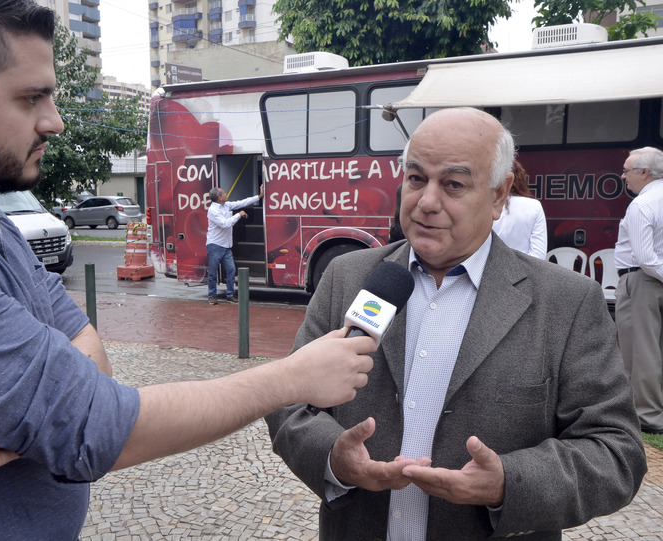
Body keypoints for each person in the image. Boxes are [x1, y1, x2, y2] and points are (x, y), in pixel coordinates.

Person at [0, 2, 378, 538]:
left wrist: (45, 415)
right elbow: (94, 425)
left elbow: (87, 349)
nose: (55, 121)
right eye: (31, 97)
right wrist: (291, 376)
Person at [265, 107, 646, 540]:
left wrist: (508, 483)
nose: (427, 202)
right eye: (416, 179)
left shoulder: (566, 302)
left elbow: (616, 451)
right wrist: (334, 458)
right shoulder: (347, 277)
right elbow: (289, 402)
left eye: (453, 184)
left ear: (500, 196)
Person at [614, 146, 663, 434]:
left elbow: (644, 258)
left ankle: (647, 417)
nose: (623, 176)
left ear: (644, 172)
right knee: (654, 348)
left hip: (641, 281)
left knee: (640, 352)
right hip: (652, 280)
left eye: (626, 171)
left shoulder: (642, 204)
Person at [206, 185, 263, 304]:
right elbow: (225, 224)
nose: (226, 194)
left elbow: (241, 203)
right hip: (215, 245)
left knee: (231, 269)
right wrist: (239, 215)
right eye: (224, 193)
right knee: (212, 272)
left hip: (226, 245)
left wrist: (259, 196)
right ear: (219, 197)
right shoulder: (213, 211)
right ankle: (212, 295)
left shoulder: (226, 205)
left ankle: (230, 294)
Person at [492, 160, 547, 258]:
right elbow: (539, 255)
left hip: (491, 265)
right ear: (521, 178)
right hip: (525, 267)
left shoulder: (489, 204)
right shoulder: (534, 206)